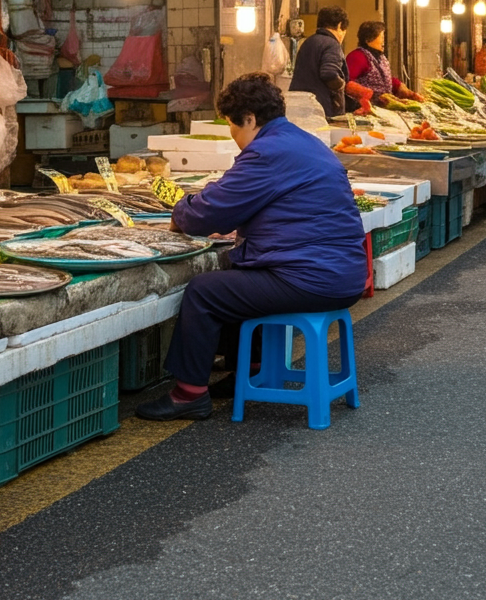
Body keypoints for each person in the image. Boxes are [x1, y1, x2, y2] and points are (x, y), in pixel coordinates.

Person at [136, 73, 368, 421]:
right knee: (238, 272)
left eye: (233, 126)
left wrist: (181, 211)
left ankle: (188, 394)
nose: (233, 137)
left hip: (313, 277)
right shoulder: (302, 141)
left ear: (249, 118)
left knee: (205, 292)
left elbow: (209, 213)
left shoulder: (266, 152)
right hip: (345, 272)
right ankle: (251, 370)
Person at [288, 6, 350, 119]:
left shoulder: (308, 42)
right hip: (320, 110)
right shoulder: (332, 44)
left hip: (299, 106)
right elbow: (329, 73)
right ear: (340, 25)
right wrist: (342, 85)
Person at [345, 21, 423, 105]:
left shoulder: (381, 57)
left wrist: (407, 92)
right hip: (364, 108)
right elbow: (346, 82)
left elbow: (385, 79)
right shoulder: (357, 56)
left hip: (382, 109)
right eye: (381, 37)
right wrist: (367, 94)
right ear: (368, 40)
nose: (384, 41)